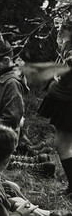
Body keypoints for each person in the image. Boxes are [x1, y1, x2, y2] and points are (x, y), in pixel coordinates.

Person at [37, 18, 72, 198]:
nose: (58, 31)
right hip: (64, 97)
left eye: (61, 28)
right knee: (63, 143)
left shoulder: (69, 47)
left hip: (68, 100)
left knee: (62, 144)